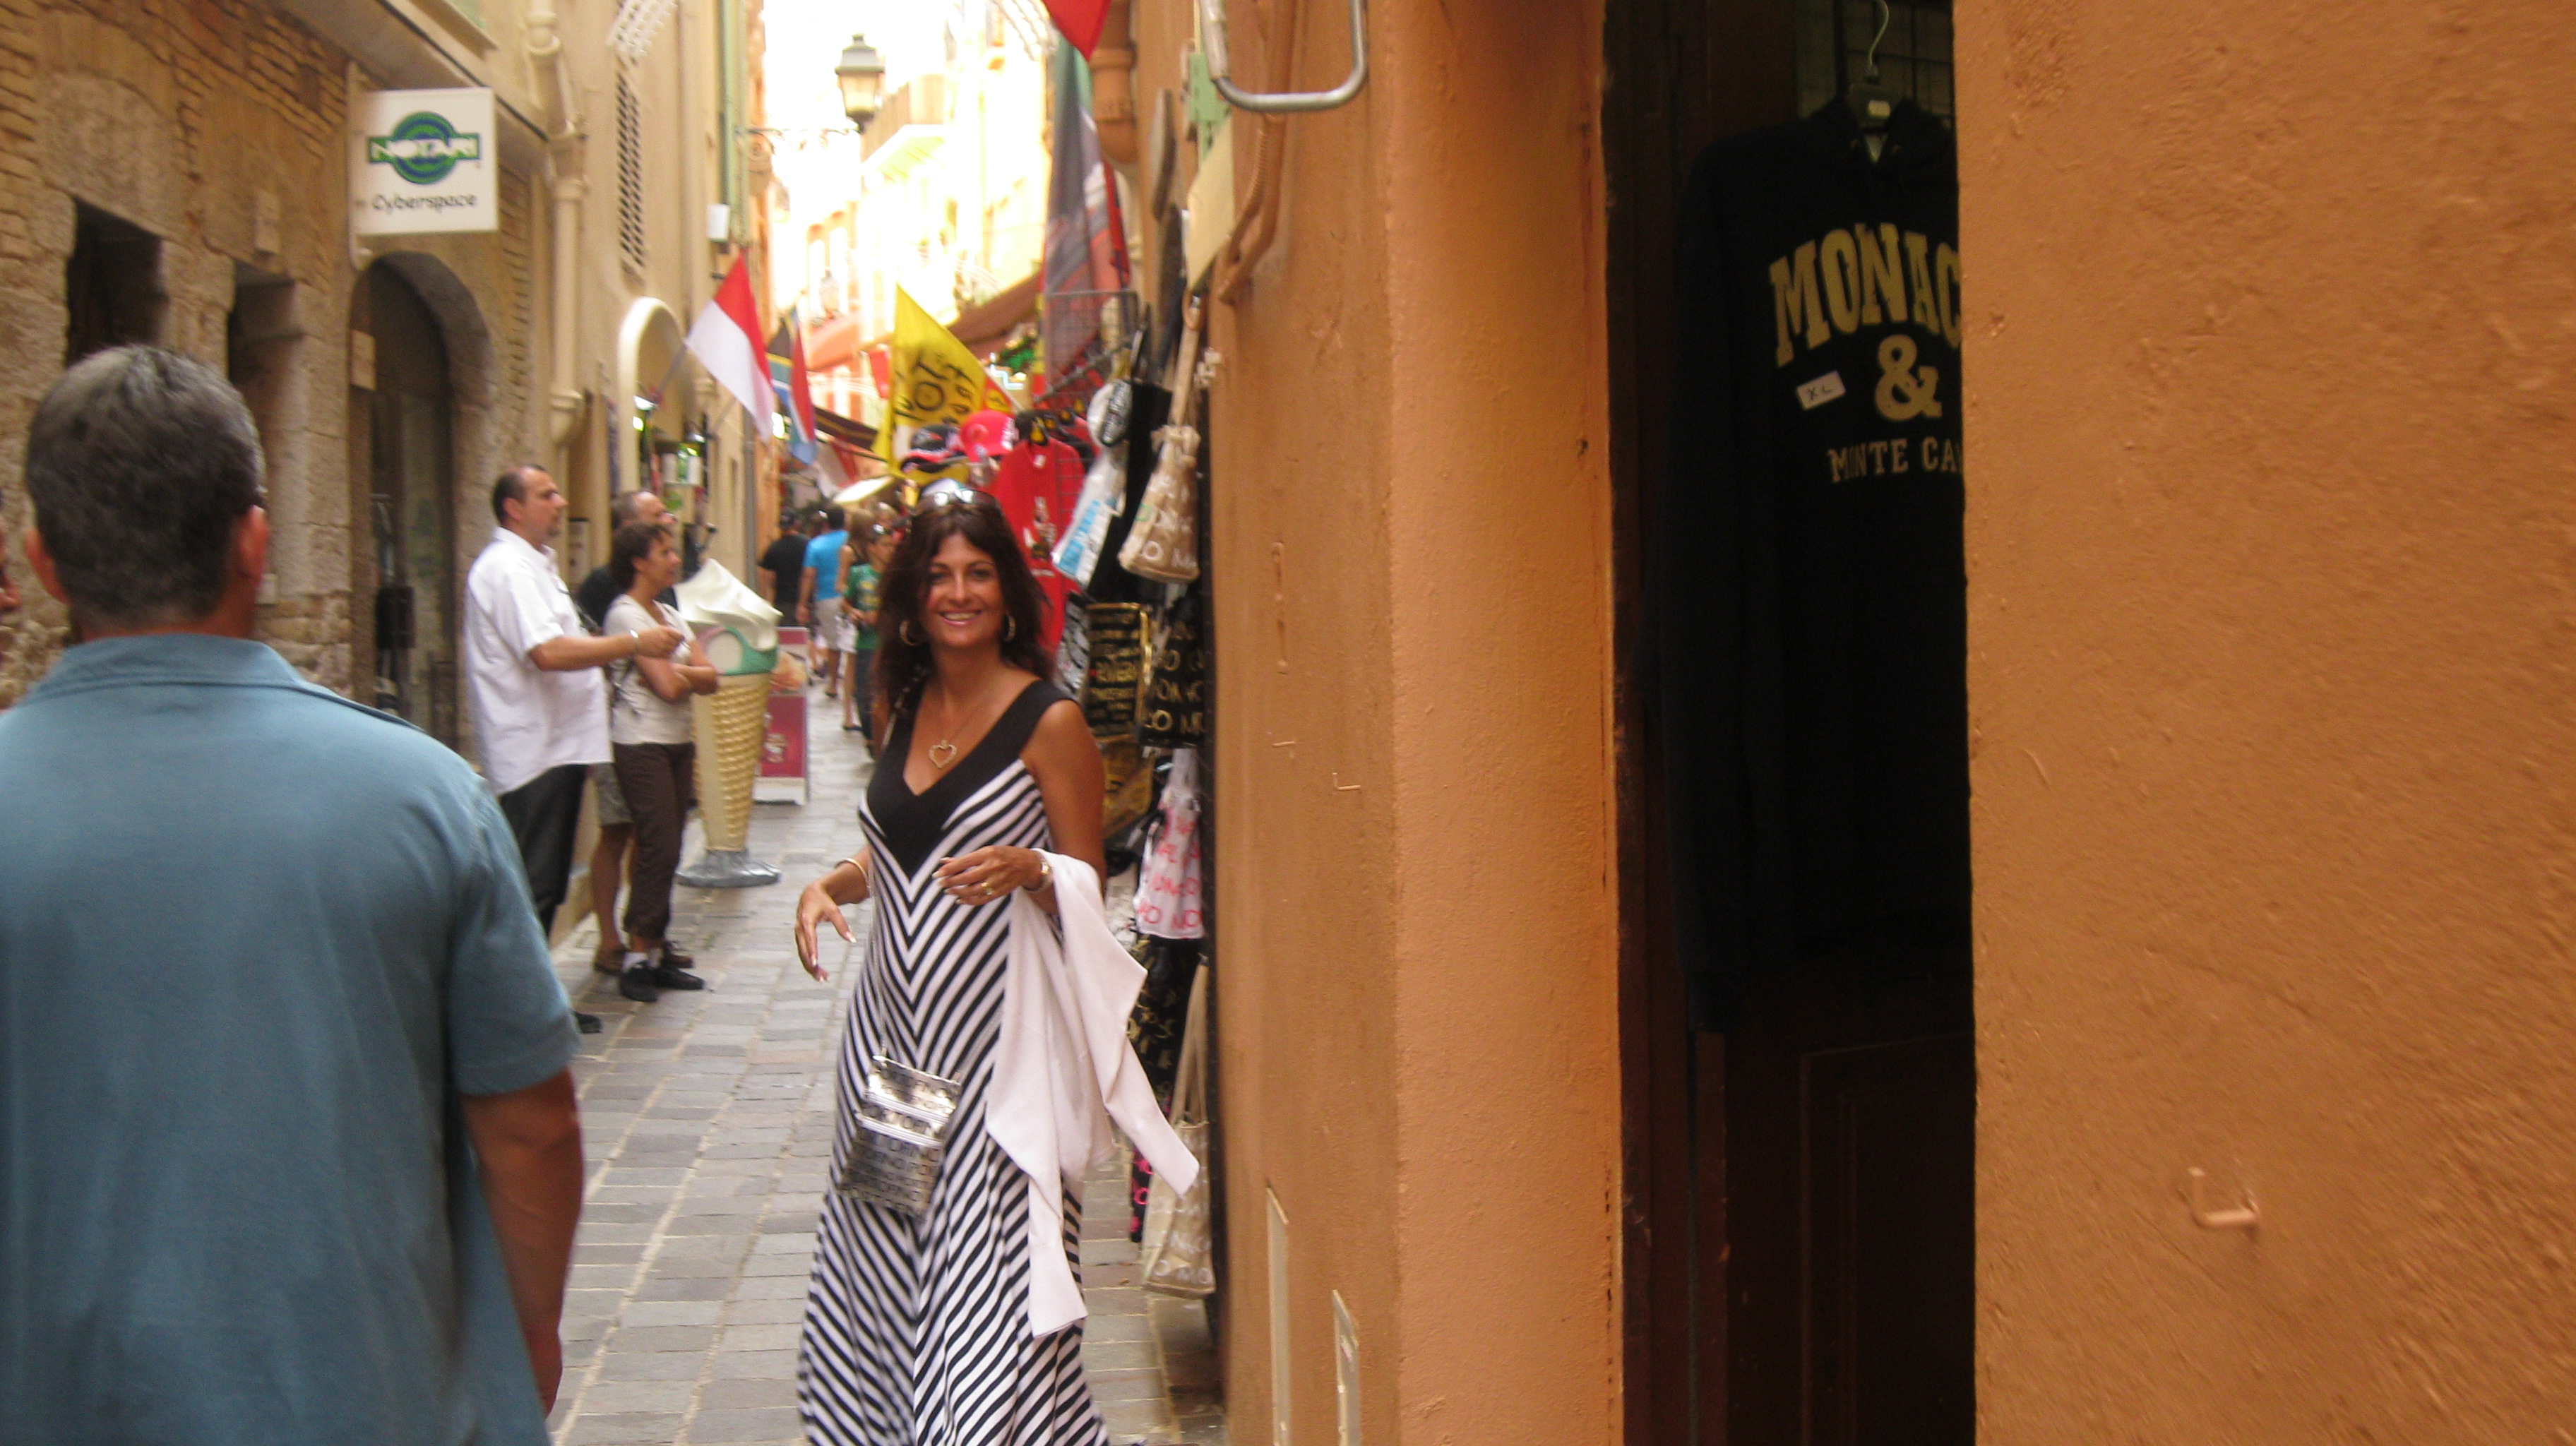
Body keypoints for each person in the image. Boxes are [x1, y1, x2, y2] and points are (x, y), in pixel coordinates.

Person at [0, 346, 585, 1440]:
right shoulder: (422, 798)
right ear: (255, 545)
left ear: (43, 560)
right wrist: (526, 1334)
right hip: (361, 1397)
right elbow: (531, 1126)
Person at [789, 484, 1120, 1442]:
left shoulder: (1048, 724)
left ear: (1010, 594)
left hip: (1001, 1070)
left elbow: (1090, 885)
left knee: (1002, 1289)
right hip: (894, 1064)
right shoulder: (900, 703)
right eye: (938, 576)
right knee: (889, 1268)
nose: (959, 592)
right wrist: (832, 885)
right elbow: (898, 849)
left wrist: (1033, 867)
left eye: (978, 573)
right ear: (913, 597)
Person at [464, 465, 684, 1034]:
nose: (560, 502)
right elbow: (548, 652)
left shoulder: (534, 567)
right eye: (546, 494)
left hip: (556, 746)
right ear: (513, 508)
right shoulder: (508, 569)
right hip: (533, 750)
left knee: (546, 882)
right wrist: (635, 642)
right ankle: (523, 1016)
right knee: (533, 885)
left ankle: (536, 1007)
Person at [603, 521, 719, 1003]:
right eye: (665, 551)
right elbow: (670, 687)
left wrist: (682, 670)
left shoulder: (670, 612)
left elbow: (711, 678)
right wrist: (687, 673)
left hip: (676, 739)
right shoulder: (624, 615)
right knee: (658, 845)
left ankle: (653, 952)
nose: (675, 559)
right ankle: (636, 955)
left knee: (669, 847)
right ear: (639, 561)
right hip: (642, 741)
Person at [575, 489, 676, 979]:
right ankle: (611, 939)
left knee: (652, 837)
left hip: (655, 728)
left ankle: (648, 932)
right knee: (618, 831)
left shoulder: (665, 590)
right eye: (657, 519)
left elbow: (688, 660)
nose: (669, 522)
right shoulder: (603, 588)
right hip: (620, 724)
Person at [837, 524, 886, 734]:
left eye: (892, 545)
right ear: (872, 548)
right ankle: (869, 734)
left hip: (888, 642)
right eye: (886, 545)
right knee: (865, 691)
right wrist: (854, 612)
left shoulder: (897, 576)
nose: (891, 550)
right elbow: (846, 601)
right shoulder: (859, 573)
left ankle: (879, 737)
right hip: (865, 641)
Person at [801, 506, 849, 700]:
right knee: (852, 641)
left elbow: (809, 575)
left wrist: (803, 603)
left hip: (826, 597)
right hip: (849, 596)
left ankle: (833, 684)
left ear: (826, 523)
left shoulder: (816, 545)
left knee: (833, 643)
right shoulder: (851, 540)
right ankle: (851, 680)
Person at [758, 508, 812, 619]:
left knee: (786, 635)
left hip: (782, 603)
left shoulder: (773, 548)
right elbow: (811, 574)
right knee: (805, 635)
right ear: (796, 524)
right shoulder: (808, 544)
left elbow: (767, 581)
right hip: (805, 602)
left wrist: (766, 602)